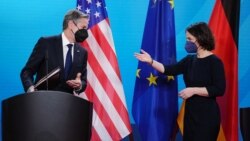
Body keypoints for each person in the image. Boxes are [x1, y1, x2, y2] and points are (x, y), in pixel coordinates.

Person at [134, 22, 226, 141]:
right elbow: (168, 70)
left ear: (201, 38)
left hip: (207, 117)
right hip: (190, 116)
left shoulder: (214, 62)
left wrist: (193, 90)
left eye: (190, 39)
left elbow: (219, 89)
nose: (187, 42)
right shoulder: (189, 60)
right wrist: (151, 61)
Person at [20, 9, 89, 94]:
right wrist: (31, 89)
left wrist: (80, 85)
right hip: (42, 101)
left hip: (68, 104)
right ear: (71, 24)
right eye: (83, 27)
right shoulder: (46, 43)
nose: (85, 32)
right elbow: (27, 72)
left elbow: (83, 81)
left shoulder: (82, 52)